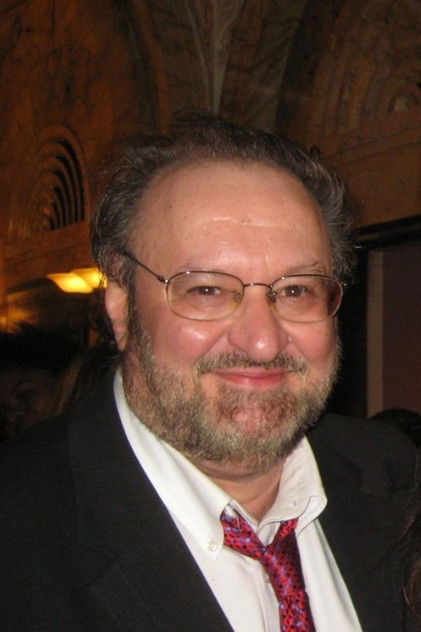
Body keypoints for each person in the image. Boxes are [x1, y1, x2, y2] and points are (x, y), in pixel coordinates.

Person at [0, 114, 417, 632]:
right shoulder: (18, 533)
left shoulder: (392, 475)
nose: (262, 342)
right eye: (207, 290)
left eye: (296, 290)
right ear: (122, 308)